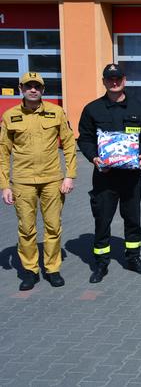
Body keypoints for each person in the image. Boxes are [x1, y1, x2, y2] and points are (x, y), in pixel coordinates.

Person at [78, 63, 141, 283]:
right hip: (104, 176)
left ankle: (133, 258)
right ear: (103, 81)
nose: (114, 82)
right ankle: (101, 263)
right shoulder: (92, 109)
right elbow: (84, 138)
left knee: (132, 219)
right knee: (102, 220)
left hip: (130, 177)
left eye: (118, 78)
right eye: (110, 79)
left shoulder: (137, 108)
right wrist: (93, 157)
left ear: (124, 80)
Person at [0, 72, 76, 291]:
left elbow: (69, 144)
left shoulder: (56, 112)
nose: (33, 89)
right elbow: (3, 152)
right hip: (23, 181)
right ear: (20, 88)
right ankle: (31, 270)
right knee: (26, 228)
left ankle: (52, 269)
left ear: (43, 90)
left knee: (53, 226)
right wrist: (5, 185)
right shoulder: (10, 116)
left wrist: (70, 175)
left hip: (52, 180)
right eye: (28, 86)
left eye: (37, 86)